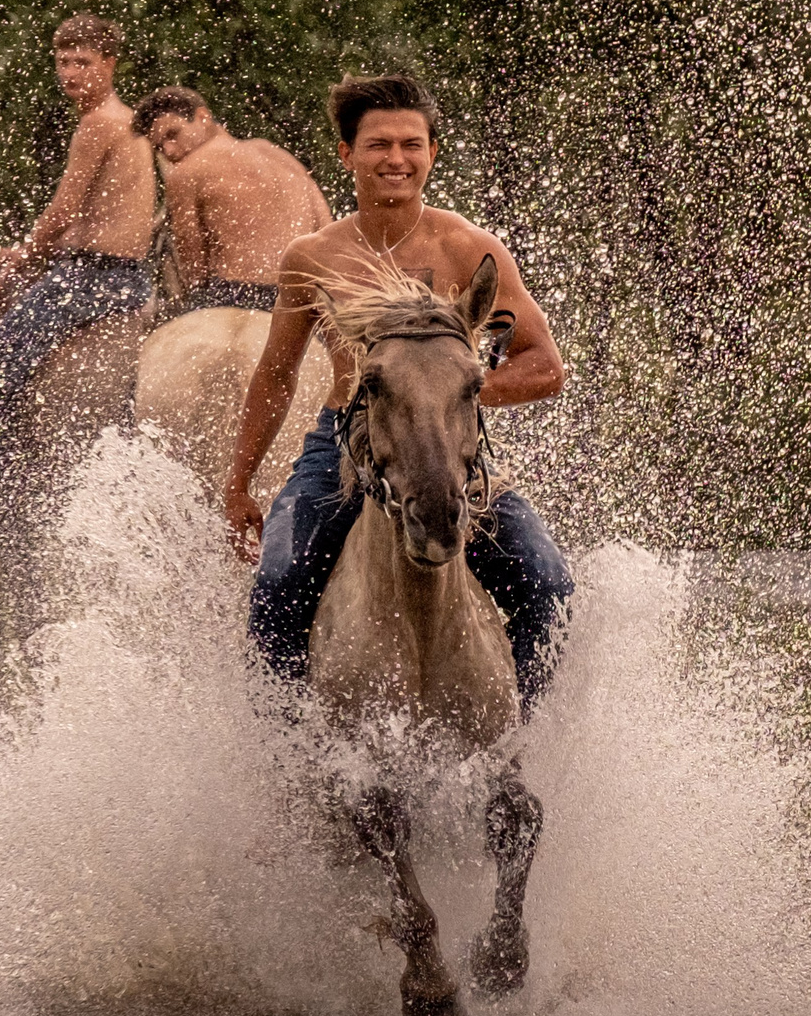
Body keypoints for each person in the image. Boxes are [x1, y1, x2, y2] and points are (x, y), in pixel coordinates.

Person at [222, 73, 574, 711]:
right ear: (347, 154)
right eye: (379, 144)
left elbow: (544, 365)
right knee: (277, 585)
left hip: (450, 445)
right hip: (343, 445)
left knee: (547, 581)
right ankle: (296, 761)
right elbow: (276, 374)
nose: (396, 159)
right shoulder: (313, 257)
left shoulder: (467, 247)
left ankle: (524, 748)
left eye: (412, 145)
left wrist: (446, 396)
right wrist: (239, 481)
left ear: (432, 154)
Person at [0, 14, 156, 547]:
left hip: (92, 278)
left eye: (84, 62)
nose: (71, 73)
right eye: (62, 62)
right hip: (113, 273)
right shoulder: (127, 121)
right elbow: (93, 216)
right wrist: (30, 252)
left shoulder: (99, 121)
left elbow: (59, 214)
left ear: (110, 65)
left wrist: (13, 267)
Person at [132, 86, 333, 312]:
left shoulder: (185, 173)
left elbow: (194, 269)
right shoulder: (279, 156)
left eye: (172, 134)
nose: (168, 151)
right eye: (159, 146)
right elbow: (328, 233)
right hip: (306, 297)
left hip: (239, 294)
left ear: (203, 117)